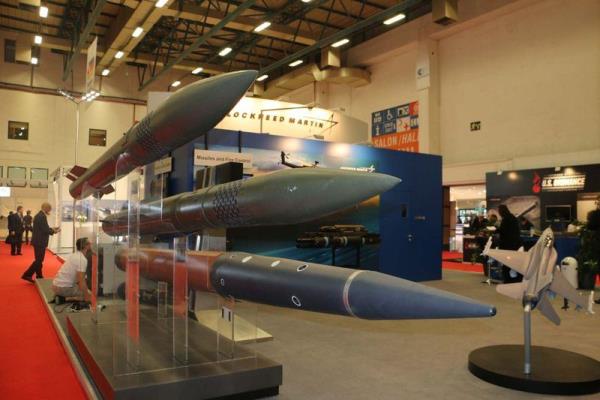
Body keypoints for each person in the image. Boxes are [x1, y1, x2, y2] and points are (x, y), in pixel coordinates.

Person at [21, 202, 60, 283]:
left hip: (38, 241)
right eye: (49, 209)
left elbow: (43, 228)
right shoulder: (42, 216)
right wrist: (54, 231)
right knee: (39, 260)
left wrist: (52, 229)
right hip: (40, 241)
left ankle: (39, 276)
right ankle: (27, 275)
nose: (49, 211)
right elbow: (45, 230)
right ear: (46, 208)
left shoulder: (39, 215)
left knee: (39, 260)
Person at [51, 237, 91, 303]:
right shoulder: (82, 259)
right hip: (62, 288)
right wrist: (87, 296)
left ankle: (61, 295)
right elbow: (81, 281)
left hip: (55, 286)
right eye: (89, 243)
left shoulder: (74, 255)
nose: (91, 244)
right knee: (89, 295)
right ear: (86, 246)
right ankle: (64, 299)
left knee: (84, 289)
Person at [497, 205, 522, 283]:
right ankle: (512, 279)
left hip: (507, 245)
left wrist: (496, 230)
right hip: (514, 244)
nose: (499, 213)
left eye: (499, 211)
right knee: (512, 263)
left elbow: (503, 231)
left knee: (506, 263)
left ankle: (507, 280)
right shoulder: (512, 217)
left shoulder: (506, 219)